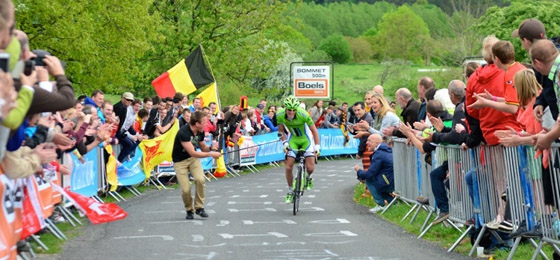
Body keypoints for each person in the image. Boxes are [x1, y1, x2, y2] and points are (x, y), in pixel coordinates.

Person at [172, 111, 221, 220]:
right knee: (186, 189)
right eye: (204, 122)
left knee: (200, 180)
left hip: (192, 160)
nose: (206, 124)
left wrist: (211, 148)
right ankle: (189, 210)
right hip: (180, 161)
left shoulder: (200, 131)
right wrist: (211, 154)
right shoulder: (183, 133)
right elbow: (193, 152)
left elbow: (203, 147)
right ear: (196, 123)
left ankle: (199, 207)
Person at [277, 96, 320, 203]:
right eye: (289, 110)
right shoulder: (280, 115)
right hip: (293, 140)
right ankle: (290, 191)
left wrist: (317, 147)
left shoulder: (303, 114)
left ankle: (309, 177)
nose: (291, 112)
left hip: (306, 140)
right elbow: (280, 131)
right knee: (288, 167)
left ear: (296, 109)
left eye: (293, 110)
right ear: (285, 109)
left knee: (310, 168)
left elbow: (314, 131)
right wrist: (284, 142)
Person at [354, 134, 394, 213]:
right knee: (376, 180)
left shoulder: (379, 154)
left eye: (369, 141)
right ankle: (393, 202)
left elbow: (370, 174)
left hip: (389, 182)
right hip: (391, 180)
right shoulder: (385, 150)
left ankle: (381, 204)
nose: (367, 143)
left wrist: (359, 171)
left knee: (369, 180)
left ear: (376, 143)